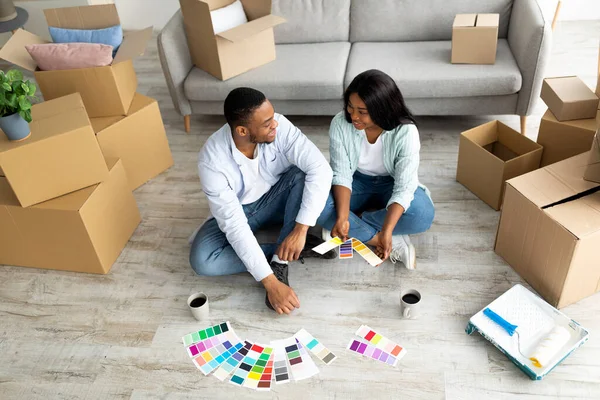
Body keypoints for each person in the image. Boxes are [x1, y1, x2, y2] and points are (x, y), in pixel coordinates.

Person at [190, 87, 335, 315]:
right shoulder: (211, 161)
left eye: (273, 117)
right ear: (242, 130)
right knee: (203, 261)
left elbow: (321, 169)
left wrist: (301, 229)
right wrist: (270, 283)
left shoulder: (279, 125)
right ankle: (286, 250)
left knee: (302, 174)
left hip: (279, 197)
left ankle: (282, 259)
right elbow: (234, 224)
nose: (275, 124)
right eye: (267, 123)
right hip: (242, 211)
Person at [317, 69, 435, 269]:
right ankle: (373, 237)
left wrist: (388, 229)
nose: (353, 116)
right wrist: (345, 217)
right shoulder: (340, 123)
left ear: (382, 108)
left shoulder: (406, 131)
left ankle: (357, 226)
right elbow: (342, 174)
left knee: (422, 215)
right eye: (350, 107)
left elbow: (404, 187)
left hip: (391, 183)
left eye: (362, 111)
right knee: (316, 205)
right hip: (356, 181)